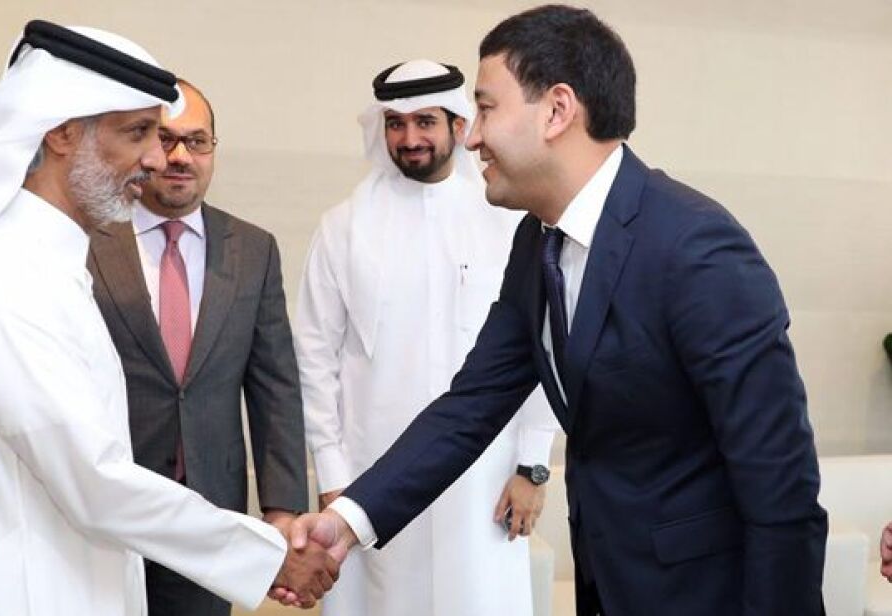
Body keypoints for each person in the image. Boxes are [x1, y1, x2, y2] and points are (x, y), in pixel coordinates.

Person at [287, 6, 828, 615]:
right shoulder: (537, 240)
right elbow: (471, 406)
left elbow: (780, 486)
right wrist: (348, 520)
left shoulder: (695, 248)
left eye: (486, 109)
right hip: (610, 585)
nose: (472, 137)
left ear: (557, 110)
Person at [0, 20, 335, 615]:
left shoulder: (40, 264)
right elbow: (94, 481)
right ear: (62, 132)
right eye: (137, 132)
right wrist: (268, 556)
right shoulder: (6, 279)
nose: (154, 158)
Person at [294, 59, 558, 616]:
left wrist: (532, 465)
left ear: (459, 125)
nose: (409, 138)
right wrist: (333, 475)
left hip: (483, 477)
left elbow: (541, 347)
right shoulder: (343, 227)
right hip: (375, 471)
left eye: (425, 122)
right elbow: (314, 358)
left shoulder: (510, 221)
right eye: (396, 123)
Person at [88, 78, 309, 616]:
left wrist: (282, 508)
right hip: (108, 510)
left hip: (212, 513)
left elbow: (275, 387)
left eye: (197, 141)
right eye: (165, 139)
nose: (180, 156)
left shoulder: (253, 250)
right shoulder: (88, 242)